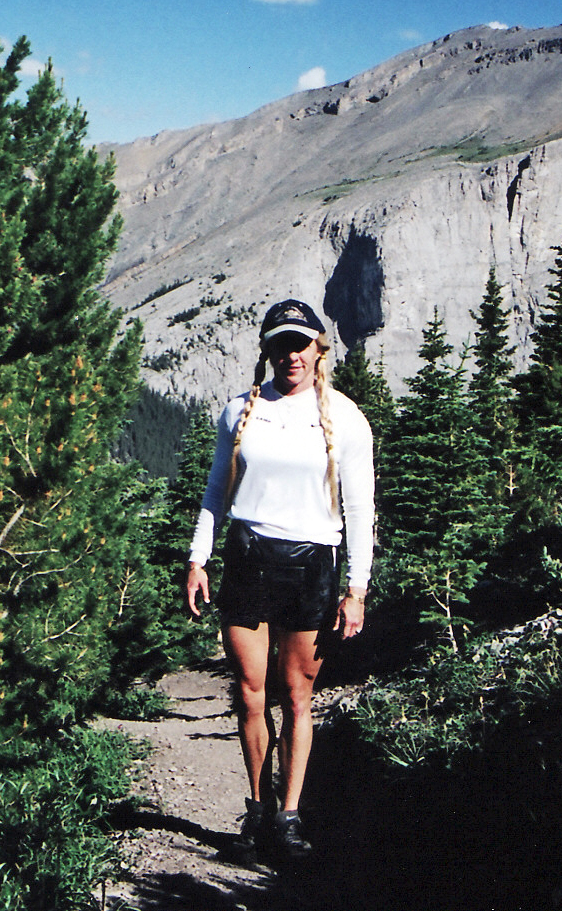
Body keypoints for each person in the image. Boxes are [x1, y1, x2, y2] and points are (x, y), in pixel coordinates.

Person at [183, 298, 376, 863]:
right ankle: (258, 808)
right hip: (247, 558)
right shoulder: (239, 411)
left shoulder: (345, 416)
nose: (291, 354)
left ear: (319, 347)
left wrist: (356, 588)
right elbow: (216, 493)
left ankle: (289, 817)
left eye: (301, 343)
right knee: (249, 693)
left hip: (312, 563)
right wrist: (199, 559)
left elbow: (361, 508)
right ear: (267, 350)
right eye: (281, 344)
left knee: (296, 696)